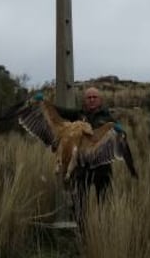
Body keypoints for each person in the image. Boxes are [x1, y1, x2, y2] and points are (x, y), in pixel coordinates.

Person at [54, 87, 114, 222]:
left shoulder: (107, 118)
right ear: (84, 101)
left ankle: (104, 233)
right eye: (89, 97)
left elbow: (117, 136)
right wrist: (44, 104)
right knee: (80, 205)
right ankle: (82, 234)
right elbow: (61, 112)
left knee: (105, 204)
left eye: (95, 97)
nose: (92, 100)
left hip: (102, 169)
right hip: (81, 169)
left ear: (100, 100)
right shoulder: (78, 115)